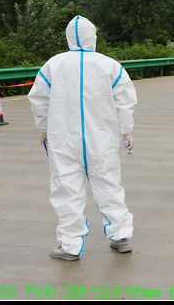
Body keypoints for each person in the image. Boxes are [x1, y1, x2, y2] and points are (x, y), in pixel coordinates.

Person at [28, 15, 137, 261]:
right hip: (101, 140)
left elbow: (39, 100)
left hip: (64, 139)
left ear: (68, 37)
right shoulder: (109, 65)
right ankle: (121, 235)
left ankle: (69, 245)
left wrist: (43, 129)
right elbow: (125, 100)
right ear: (93, 36)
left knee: (66, 189)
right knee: (109, 185)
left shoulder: (53, 65)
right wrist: (126, 130)